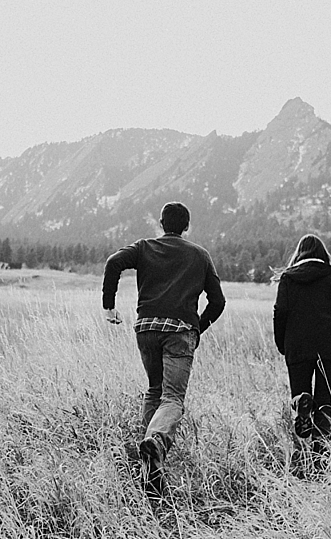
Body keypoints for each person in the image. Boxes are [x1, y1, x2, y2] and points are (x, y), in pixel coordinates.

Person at [103, 201, 226, 497]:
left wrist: (109, 307)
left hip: (145, 328)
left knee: (155, 390)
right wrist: (197, 328)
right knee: (172, 398)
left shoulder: (144, 247)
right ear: (187, 226)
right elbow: (218, 302)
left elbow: (113, 263)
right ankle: (156, 442)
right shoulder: (199, 255)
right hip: (179, 331)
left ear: (160, 223)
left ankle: (148, 468)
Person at [272, 234, 331, 478]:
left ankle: (301, 458)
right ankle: (321, 462)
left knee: (299, 397)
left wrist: (282, 345)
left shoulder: (288, 278)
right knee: (325, 403)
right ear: (323, 254)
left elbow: (280, 314)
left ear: (298, 253)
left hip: (297, 347)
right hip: (328, 348)